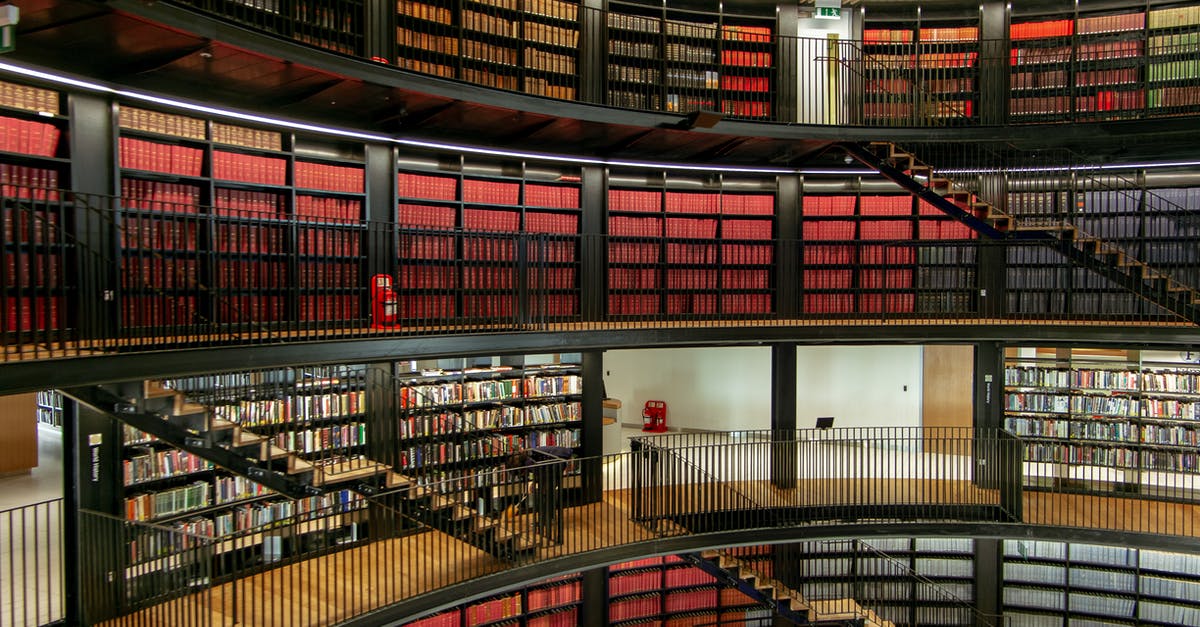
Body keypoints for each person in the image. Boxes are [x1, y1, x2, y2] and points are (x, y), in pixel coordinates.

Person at [506, 445, 573, 543]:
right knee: (546, 491)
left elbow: (542, 472)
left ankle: (546, 520)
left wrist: (535, 483)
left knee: (546, 492)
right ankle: (547, 518)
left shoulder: (529, 464)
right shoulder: (527, 460)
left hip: (558, 459)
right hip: (554, 460)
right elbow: (541, 471)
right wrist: (536, 482)